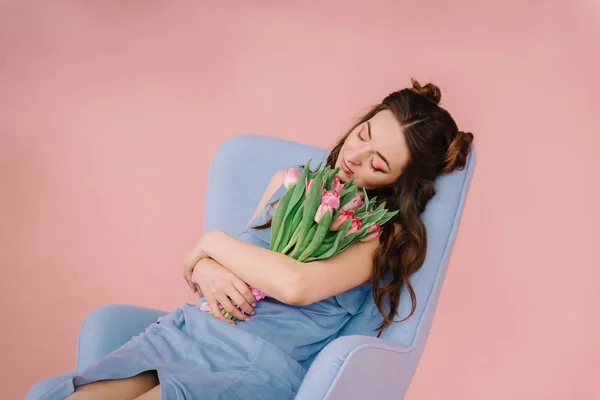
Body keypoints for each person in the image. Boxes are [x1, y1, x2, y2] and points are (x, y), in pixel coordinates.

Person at [27, 79, 474, 400]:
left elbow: (297, 285)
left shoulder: (378, 235)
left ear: (400, 182)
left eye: (378, 164)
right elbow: (234, 263)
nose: (354, 157)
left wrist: (209, 242)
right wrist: (202, 266)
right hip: (191, 330)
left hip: (252, 365)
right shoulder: (287, 182)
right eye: (363, 134)